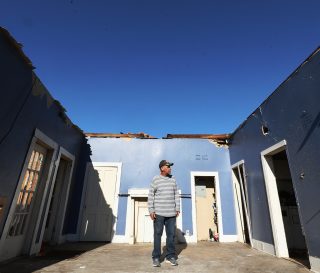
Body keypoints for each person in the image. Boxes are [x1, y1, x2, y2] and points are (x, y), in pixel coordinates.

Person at [148, 160, 180, 267]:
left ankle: (170, 256)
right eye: (168, 166)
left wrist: (177, 208)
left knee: (171, 236)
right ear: (162, 168)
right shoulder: (155, 179)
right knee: (157, 235)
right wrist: (151, 210)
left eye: (170, 166)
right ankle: (156, 257)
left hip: (171, 213)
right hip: (159, 213)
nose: (170, 168)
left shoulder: (173, 179)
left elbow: (176, 194)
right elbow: (151, 195)